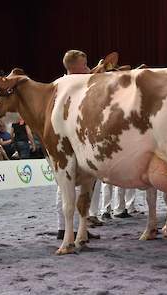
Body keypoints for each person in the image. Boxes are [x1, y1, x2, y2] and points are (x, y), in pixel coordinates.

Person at [56, 50, 101, 239]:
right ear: (74, 68)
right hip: (64, 142)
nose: (87, 68)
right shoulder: (61, 85)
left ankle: (80, 226)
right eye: (84, 65)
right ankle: (63, 228)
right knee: (65, 185)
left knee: (87, 183)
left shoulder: (78, 83)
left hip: (83, 139)